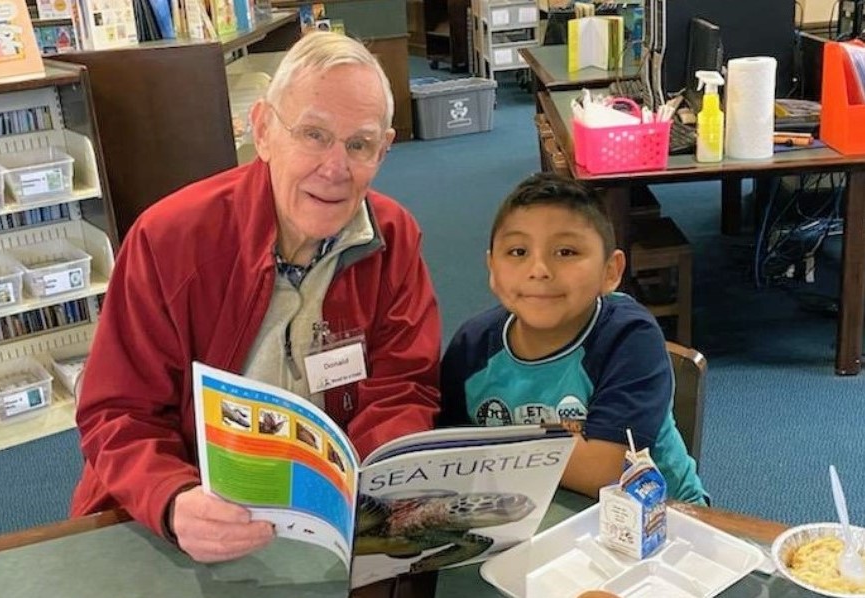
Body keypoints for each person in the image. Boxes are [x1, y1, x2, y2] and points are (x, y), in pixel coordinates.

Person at [70, 31, 442, 563]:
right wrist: (172, 501)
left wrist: (371, 482)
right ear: (264, 131)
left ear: (383, 150)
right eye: (313, 134)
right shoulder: (170, 239)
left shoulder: (394, 235)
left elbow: (404, 385)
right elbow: (117, 412)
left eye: (358, 144)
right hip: (200, 510)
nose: (335, 168)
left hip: (331, 513)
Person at [439, 173, 706, 504]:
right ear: (492, 268)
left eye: (565, 251)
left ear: (611, 271)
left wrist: (489, 445)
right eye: (517, 251)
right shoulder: (472, 345)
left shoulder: (629, 338)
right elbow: (444, 455)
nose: (539, 269)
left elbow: (604, 472)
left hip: (660, 516)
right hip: (531, 511)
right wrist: (566, 443)